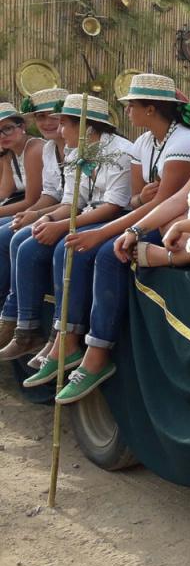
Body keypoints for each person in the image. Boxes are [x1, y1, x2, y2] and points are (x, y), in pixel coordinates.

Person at [51, 74, 190, 403]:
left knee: (106, 253)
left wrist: (113, 230)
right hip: (149, 215)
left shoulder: (185, 143)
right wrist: (137, 206)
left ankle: (98, 353)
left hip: (173, 223)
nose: (127, 113)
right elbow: (135, 200)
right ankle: (67, 337)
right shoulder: (145, 143)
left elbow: (166, 203)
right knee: (78, 246)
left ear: (150, 109)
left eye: (131, 106)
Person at [0, 95, 133, 368]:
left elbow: (112, 207)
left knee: (66, 246)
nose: (59, 131)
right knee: (24, 242)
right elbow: (71, 201)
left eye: (64, 124)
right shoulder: (76, 151)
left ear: (88, 128)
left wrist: (59, 226)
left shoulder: (121, 151)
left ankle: (62, 335)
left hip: (114, 217)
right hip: (84, 214)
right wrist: (45, 218)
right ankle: (25, 329)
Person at [0, 88, 71, 367]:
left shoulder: (37, 147)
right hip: (55, 208)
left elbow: (35, 198)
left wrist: (35, 214)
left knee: (11, 236)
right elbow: (11, 193)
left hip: (79, 213)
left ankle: (19, 320)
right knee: (11, 233)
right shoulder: (50, 149)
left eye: (8, 128)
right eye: (41, 117)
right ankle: (13, 319)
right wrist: (35, 213)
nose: (47, 123)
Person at [0, 102, 44, 217]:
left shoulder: (34, 149)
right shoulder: (9, 153)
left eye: (8, 128)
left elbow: (32, 201)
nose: (2, 136)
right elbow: (3, 193)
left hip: (44, 210)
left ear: (22, 127)